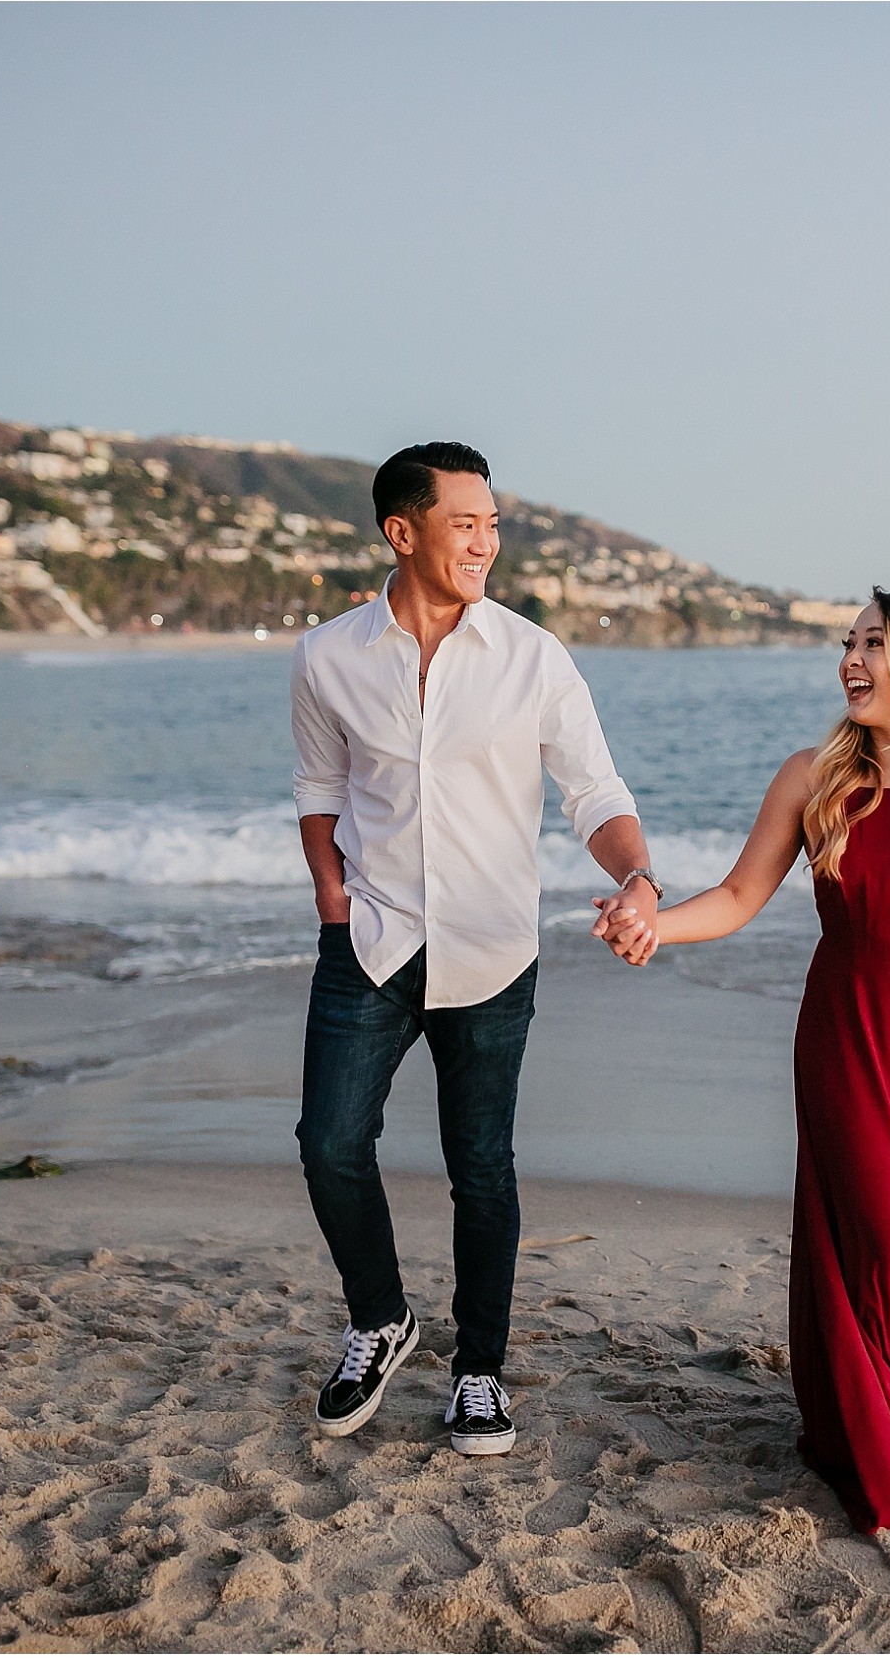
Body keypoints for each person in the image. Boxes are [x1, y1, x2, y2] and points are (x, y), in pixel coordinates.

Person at [593, 589, 890, 1531]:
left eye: (873, 644)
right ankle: (872, 1425)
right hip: (849, 1035)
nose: (850, 660)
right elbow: (737, 896)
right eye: (847, 643)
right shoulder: (811, 778)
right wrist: (656, 923)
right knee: (878, 1231)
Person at [291, 440, 661, 1456]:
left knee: (482, 1168)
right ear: (401, 532)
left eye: (494, 522)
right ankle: (380, 1317)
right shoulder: (327, 655)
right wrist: (329, 886)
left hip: (492, 950)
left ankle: (480, 1375)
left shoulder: (533, 657)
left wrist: (637, 875)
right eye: (467, 522)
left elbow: (596, 792)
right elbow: (320, 787)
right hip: (368, 940)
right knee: (327, 1142)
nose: (486, 542)